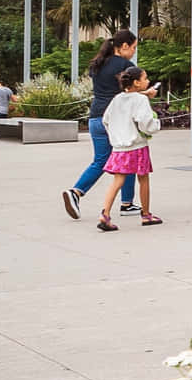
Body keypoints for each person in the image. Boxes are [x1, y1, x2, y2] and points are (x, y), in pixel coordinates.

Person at [62, 29, 138, 220]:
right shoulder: (125, 66)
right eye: (134, 47)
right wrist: (148, 93)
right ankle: (123, 202)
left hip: (95, 117)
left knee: (101, 160)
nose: (134, 52)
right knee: (128, 156)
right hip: (115, 120)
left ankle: (79, 191)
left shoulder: (98, 64)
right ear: (125, 46)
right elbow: (128, 93)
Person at [96, 65, 162, 230]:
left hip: (119, 147)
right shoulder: (141, 100)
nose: (147, 81)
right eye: (145, 78)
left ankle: (105, 214)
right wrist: (156, 125)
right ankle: (146, 215)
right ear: (136, 83)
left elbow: (106, 119)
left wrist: (116, 136)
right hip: (137, 146)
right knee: (143, 178)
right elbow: (145, 122)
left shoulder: (117, 99)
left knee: (117, 180)